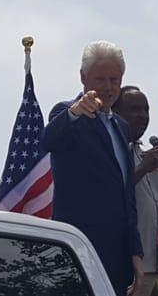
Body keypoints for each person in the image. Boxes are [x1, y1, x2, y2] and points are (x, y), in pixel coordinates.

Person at [40, 40, 142, 296]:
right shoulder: (67, 114)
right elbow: (48, 140)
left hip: (118, 260)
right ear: (83, 78)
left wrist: (136, 254)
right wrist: (75, 112)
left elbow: (127, 197)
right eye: (100, 79)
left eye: (114, 80)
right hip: (79, 251)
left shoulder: (121, 127)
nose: (108, 88)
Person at [112, 86, 158, 296]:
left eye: (146, 110)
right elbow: (110, 195)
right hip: (129, 267)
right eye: (134, 109)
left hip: (157, 270)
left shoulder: (149, 157)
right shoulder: (113, 152)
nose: (142, 115)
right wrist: (142, 168)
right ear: (116, 113)